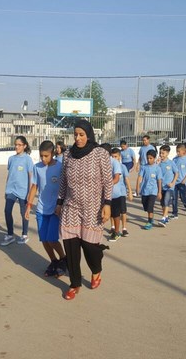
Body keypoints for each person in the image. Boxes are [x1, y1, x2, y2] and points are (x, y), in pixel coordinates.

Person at [55, 120, 112, 300]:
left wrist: (107, 204)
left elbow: (107, 181)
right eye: (75, 134)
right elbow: (64, 180)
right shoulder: (68, 155)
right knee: (71, 245)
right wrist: (59, 201)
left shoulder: (99, 153)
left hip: (93, 207)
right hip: (71, 206)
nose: (78, 138)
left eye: (81, 134)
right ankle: (74, 283)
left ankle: (96, 269)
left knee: (89, 246)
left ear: (89, 135)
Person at [25, 141, 67, 277]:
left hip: (55, 209)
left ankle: (63, 259)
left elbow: (65, 188)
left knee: (52, 239)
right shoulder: (37, 168)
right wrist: (28, 206)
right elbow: (34, 187)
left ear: (53, 153)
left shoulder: (60, 167)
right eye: (41, 156)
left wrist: (61, 205)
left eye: (46, 156)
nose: (43, 159)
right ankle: (53, 261)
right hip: (41, 209)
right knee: (44, 239)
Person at [1, 136, 34, 246]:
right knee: (7, 210)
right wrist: (6, 189)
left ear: (24, 146)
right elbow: (9, 174)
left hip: (23, 191)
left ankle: (24, 234)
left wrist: (30, 193)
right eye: (16, 144)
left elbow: (31, 176)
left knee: (23, 212)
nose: (17, 147)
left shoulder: (27, 159)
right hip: (11, 190)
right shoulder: (11, 159)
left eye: (19, 145)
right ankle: (10, 235)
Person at [136, 150, 162, 230]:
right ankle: (150, 216)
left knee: (150, 206)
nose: (149, 160)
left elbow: (159, 180)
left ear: (154, 158)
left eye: (151, 158)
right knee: (146, 207)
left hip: (153, 191)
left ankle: (149, 222)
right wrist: (137, 187)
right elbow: (140, 177)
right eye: (148, 158)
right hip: (144, 190)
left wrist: (159, 192)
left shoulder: (157, 168)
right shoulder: (143, 167)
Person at [110, 148, 132, 238]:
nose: (114, 158)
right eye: (112, 156)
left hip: (121, 192)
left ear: (119, 157)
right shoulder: (110, 166)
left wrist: (130, 191)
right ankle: (113, 226)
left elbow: (126, 179)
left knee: (123, 211)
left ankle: (124, 228)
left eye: (116, 156)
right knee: (112, 211)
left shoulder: (122, 167)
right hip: (112, 193)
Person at [157, 145, 179, 227]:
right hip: (161, 187)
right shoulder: (158, 163)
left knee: (166, 201)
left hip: (170, 187)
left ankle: (163, 218)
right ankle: (166, 217)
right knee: (162, 203)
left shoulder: (171, 163)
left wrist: (173, 183)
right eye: (160, 153)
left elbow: (176, 173)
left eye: (163, 153)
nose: (161, 155)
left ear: (168, 153)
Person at [171, 144, 186, 218]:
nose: (177, 153)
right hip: (174, 182)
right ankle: (174, 213)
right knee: (174, 197)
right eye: (177, 151)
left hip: (182, 182)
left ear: (183, 151)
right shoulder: (174, 159)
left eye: (179, 151)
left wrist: (184, 180)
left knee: (182, 197)